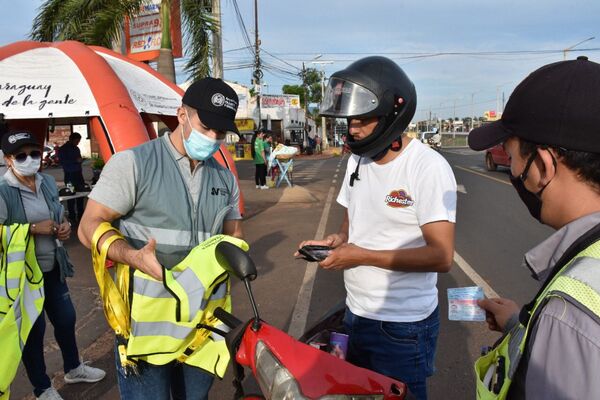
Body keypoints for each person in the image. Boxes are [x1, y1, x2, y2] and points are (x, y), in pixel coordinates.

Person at [296, 56, 457, 400]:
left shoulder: (427, 168)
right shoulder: (358, 160)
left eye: (363, 120)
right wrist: (336, 241)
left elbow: (441, 256)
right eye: (350, 120)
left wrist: (360, 256)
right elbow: (351, 221)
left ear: (392, 115)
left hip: (403, 327)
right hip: (355, 313)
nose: (352, 129)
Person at [78, 77, 243, 400]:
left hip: (203, 328)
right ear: (182, 115)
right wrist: (133, 256)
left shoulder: (224, 177)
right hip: (147, 330)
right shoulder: (134, 164)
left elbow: (234, 235)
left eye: (220, 133)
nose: (212, 138)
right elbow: (89, 225)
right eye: (206, 126)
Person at [469, 56, 600, 399]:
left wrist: (553, 324)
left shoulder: (570, 310)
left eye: (512, 158)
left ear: (542, 165)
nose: (512, 171)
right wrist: (522, 324)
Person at [0, 130, 105, 400]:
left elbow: (58, 214)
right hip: (24, 274)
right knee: (33, 333)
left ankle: (73, 368)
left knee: (66, 319)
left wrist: (64, 226)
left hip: (54, 265)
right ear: (9, 160)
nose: (30, 159)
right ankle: (42, 387)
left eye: (34, 153)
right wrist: (32, 229)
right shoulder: (3, 191)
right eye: (21, 156)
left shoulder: (46, 181)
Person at [58, 132, 85, 225]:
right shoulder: (63, 149)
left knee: (81, 194)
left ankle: (81, 215)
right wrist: (75, 160)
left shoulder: (77, 148)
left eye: (79, 141)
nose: (78, 143)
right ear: (71, 139)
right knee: (70, 195)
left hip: (78, 175)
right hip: (69, 175)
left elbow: (79, 159)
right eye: (77, 141)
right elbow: (62, 162)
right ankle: (72, 216)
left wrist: (80, 160)